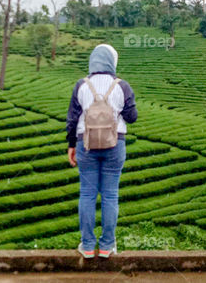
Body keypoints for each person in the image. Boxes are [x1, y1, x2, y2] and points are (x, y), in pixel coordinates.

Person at [66, 43, 137, 259]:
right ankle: (107, 246)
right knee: (110, 195)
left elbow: (71, 120)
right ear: (112, 62)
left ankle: (87, 246)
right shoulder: (122, 86)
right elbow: (132, 117)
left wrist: (71, 146)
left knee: (87, 194)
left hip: (84, 144)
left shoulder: (81, 85)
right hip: (115, 145)